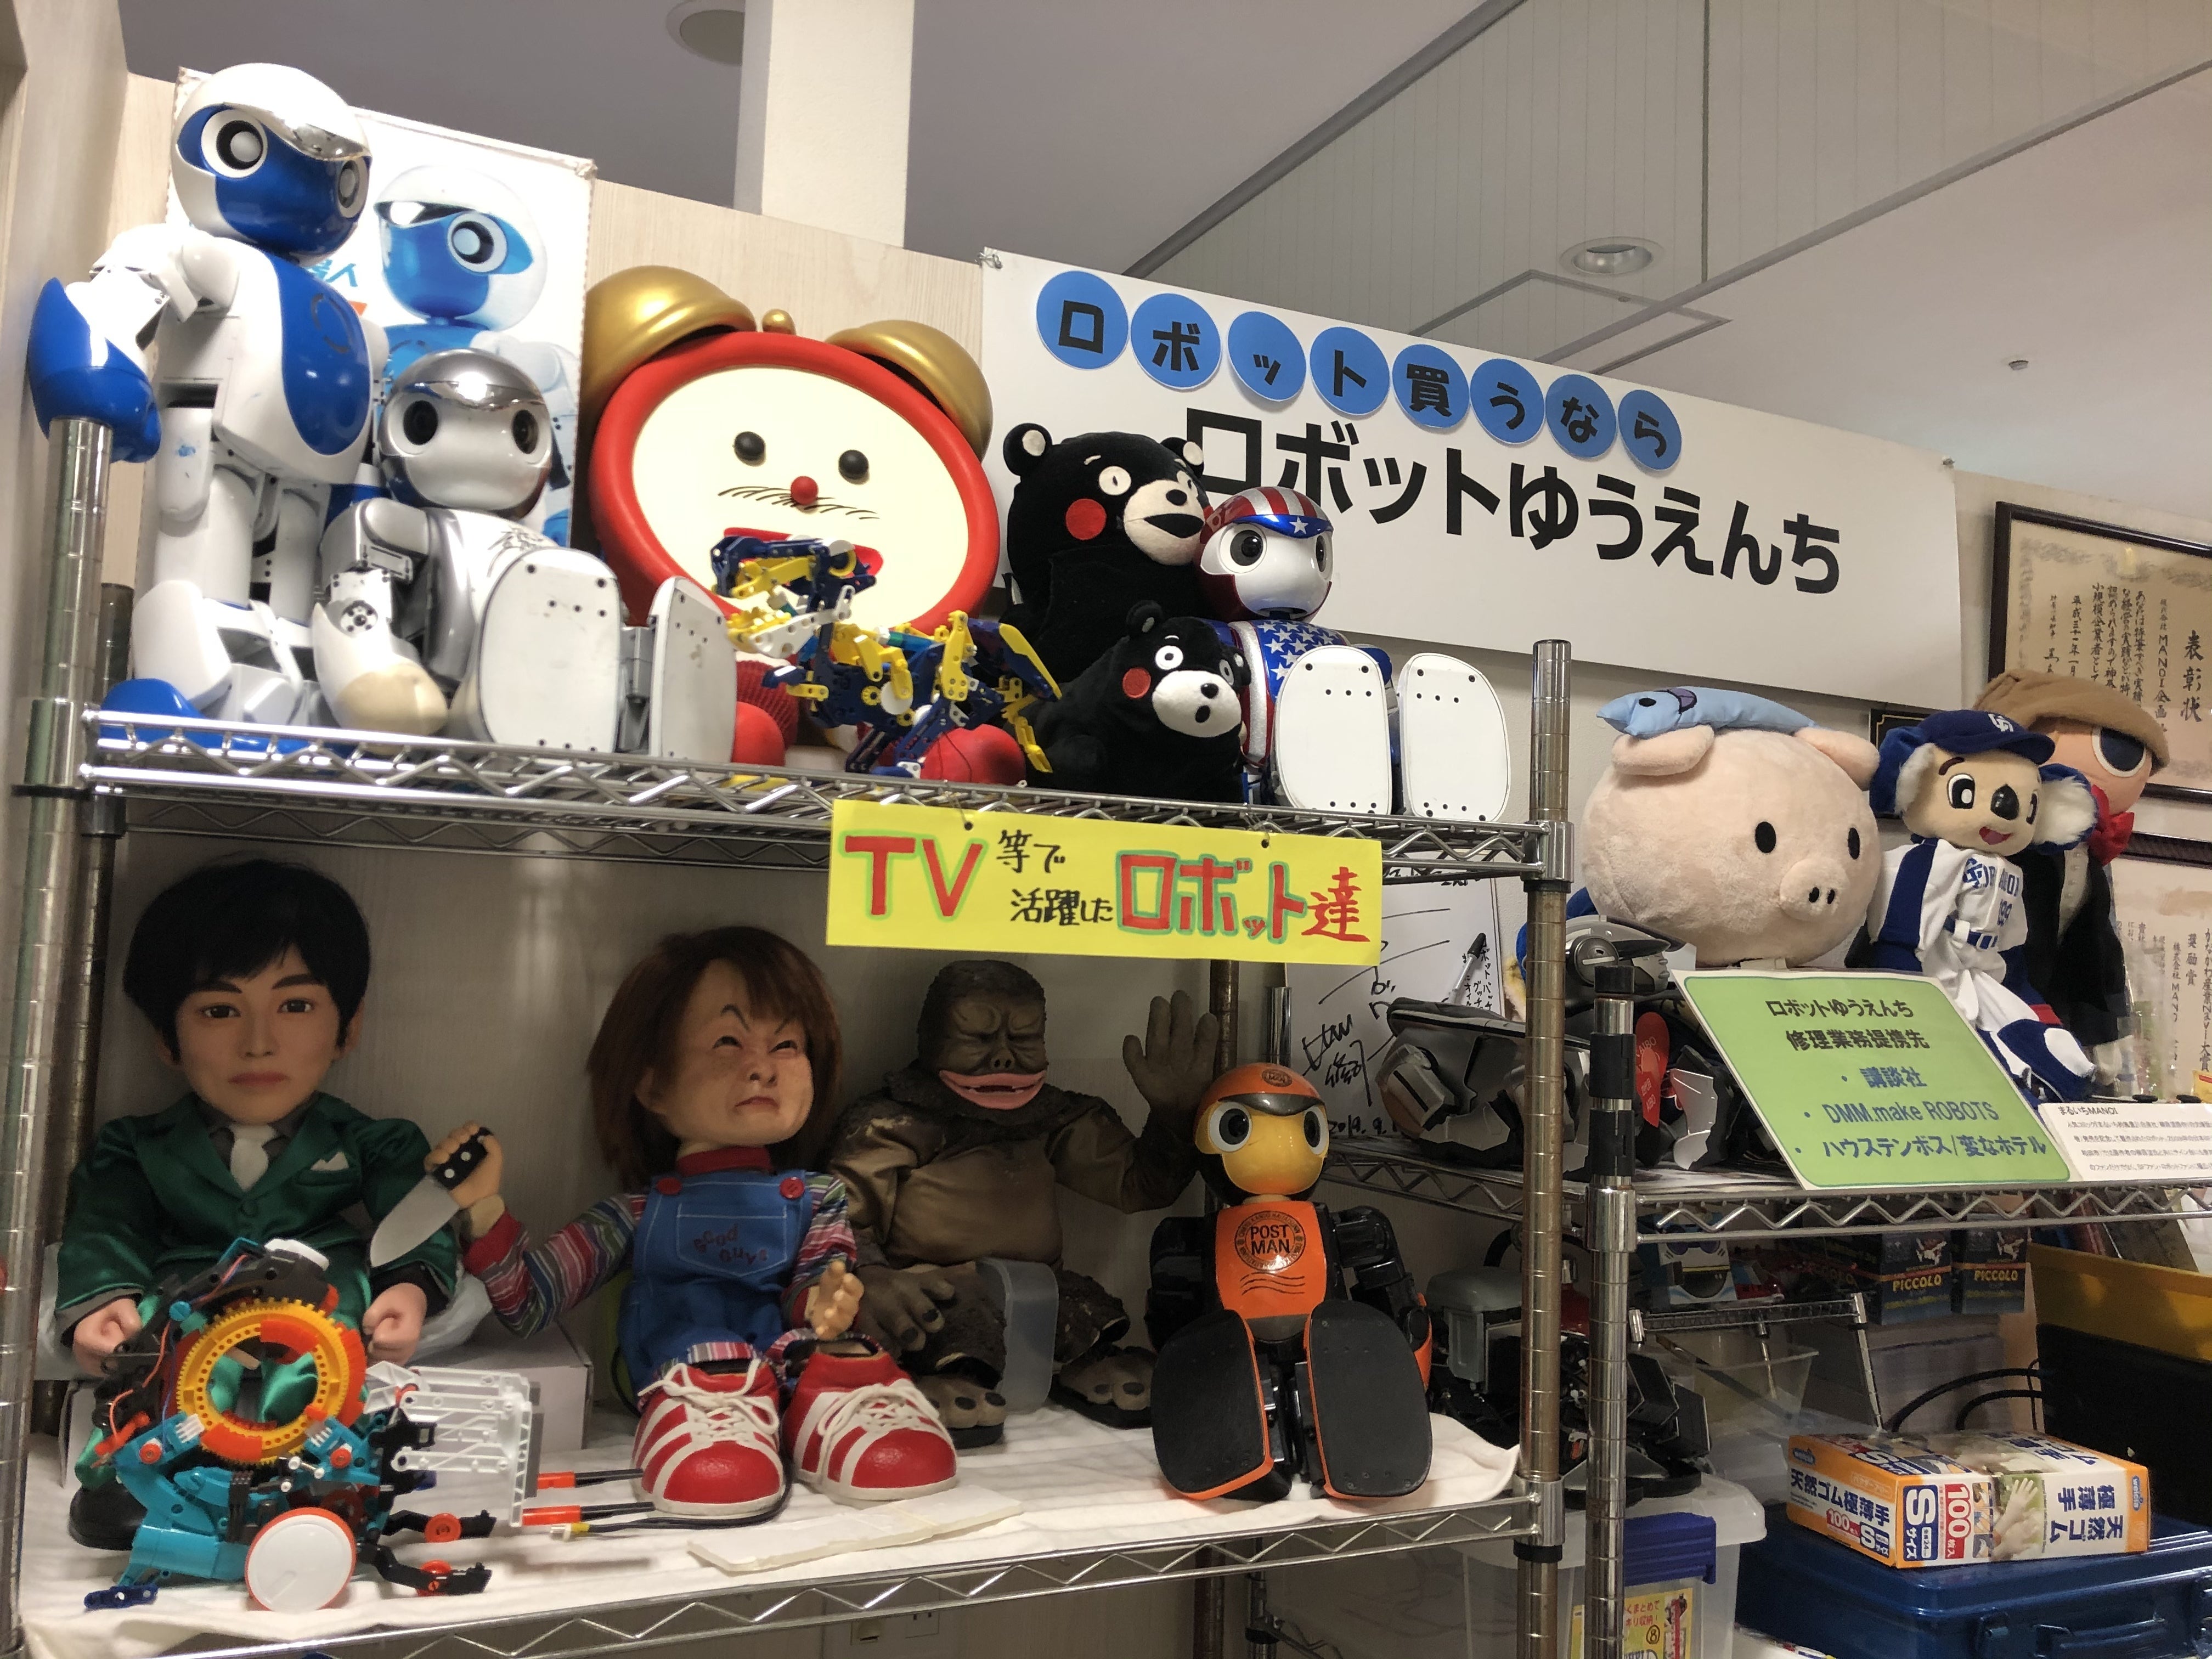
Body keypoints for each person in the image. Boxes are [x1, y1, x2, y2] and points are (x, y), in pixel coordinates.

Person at [433, 926, 956, 1520]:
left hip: (787, 1363)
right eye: (729, 1041)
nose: (763, 1069)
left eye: (786, 1045)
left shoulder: (818, 1198)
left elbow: (812, 1293)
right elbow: (531, 1301)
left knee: (841, 1351)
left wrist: (823, 1303)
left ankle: (835, 1409)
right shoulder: (635, 1213)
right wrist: (483, 1209)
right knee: (708, 1355)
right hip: (683, 1372)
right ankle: (714, 1417)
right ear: (653, 1084)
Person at [58, 858, 456, 1548]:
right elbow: (105, 1224)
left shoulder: (373, 1142)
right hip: (190, 1286)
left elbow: (414, 1211)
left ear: (348, 1026)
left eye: (296, 1006)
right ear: (166, 1037)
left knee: (328, 1352)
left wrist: (412, 1284)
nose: (259, 1042)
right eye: (219, 1011)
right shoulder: (135, 1148)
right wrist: (103, 1298)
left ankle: (320, 1475)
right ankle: (140, 1472)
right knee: (158, 1350)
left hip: (321, 1284)